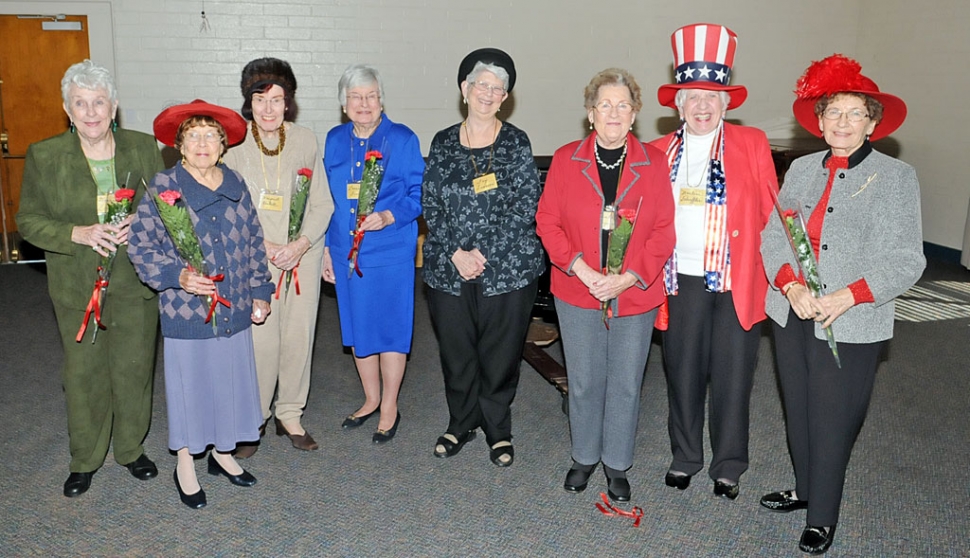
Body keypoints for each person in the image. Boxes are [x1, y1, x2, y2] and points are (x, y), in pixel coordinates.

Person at [760, 54, 924, 554]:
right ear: (820, 120)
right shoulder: (802, 168)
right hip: (793, 311)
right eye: (834, 113)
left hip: (852, 319)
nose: (843, 122)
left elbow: (906, 259)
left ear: (872, 122)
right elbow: (775, 236)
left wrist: (848, 296)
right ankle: (806, 488)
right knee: (800, 409)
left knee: (833, 414)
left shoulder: (896, 177)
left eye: (855, 114)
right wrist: (790, 286)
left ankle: (822, 514)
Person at [16, 59, 163, 498]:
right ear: (67, 109)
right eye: (80, 103)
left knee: (135, 368)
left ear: (114, 106)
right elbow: (27, 220)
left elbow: (165, 204)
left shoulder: (142, 147)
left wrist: (142, 219)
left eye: (99, 101)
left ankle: (131, 449)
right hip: (77, 285)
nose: (91, 111)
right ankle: (84, 458)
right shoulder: (45, 155)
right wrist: (76, 233)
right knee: (83, 374)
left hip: (135, 282)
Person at [647, 23, 778, 500]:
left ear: (726, 103)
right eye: (692, 97)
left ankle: (729, 463)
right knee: (681, 370)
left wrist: (786, 274)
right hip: (679, 278)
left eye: (711, 97)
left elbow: (772, 212)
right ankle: (684, 456)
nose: (702, 106)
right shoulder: (659, 152)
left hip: (735, 279)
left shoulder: (753, 144)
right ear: (678, 106)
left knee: (733, 375)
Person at [536, 68, 675, 502]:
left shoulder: (652, 162)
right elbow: (548, 222)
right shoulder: (565, 159)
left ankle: (616, 463)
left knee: (626, 381)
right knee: (583, 378)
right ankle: (583, 456)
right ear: (589, 113)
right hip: (578, 288)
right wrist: (583, 270)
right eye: (604, 105)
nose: (613, 113)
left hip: (635, 292)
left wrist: (628, 277)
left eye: (623, 105)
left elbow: (665, 231)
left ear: (634, 115)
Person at [128, 100, 274, 509]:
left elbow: (252, 242)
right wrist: (179, 276)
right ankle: (186, 464)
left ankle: (224, 454)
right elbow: (140, 245)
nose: (203, 143)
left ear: (224, 144)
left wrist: (260, 291)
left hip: (234, 305)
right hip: (186, 311)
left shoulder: (236, 183)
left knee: (229, 383)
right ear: (180, 144)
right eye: (193, 136)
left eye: (211, 135)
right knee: (191, 387)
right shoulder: (163, 187)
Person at [422, 48, 545, 467]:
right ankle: (460, 422)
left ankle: (497, 428)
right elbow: (431, 204)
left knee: (499, 352)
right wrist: (457, 252)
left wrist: (482, 252)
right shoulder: (441, 142)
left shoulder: (516, 143)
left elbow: (523, 204)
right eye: (481, 85)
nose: (488, 93)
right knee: (456, 352)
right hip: (448, 269)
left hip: (507, 270)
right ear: (464, 89)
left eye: (498, 88)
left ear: (505, 97)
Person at [223, 58, 333, 456]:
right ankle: (254, 418)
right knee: (261, 341)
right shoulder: (232, 145)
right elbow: (228, 209)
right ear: (248, 102)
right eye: (260, 99)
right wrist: (266, 248)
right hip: (255, 256)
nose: (269, 109)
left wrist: (301, 244)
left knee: (299, 337)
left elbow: (322, 201)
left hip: (301, 253)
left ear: (289, 103)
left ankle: (290, 414)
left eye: (277, 99)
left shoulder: (305, 139)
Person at [322, 64, 424, 443]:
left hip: (390, 250)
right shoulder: (334, 140)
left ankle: (389, 405)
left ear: (381, 100)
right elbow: (327, 201)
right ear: (343, 103)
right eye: (355, 97)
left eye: (371, 96)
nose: (364, 104)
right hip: (344, 249)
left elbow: (418, 196)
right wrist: (326, 253)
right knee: (358, 326)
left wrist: (388, 214)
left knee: (391, 329)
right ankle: (369, 398)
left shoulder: (402, 138)